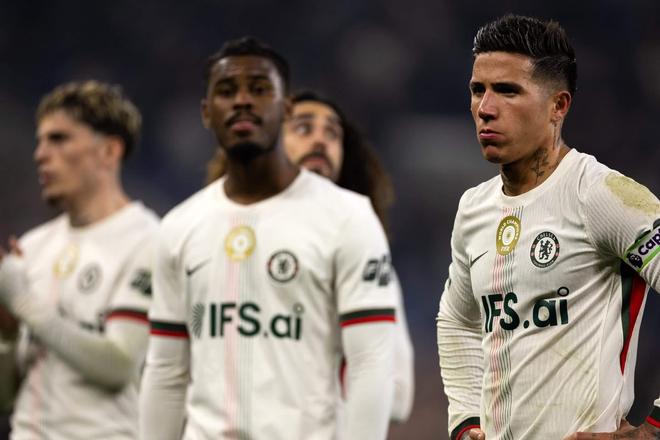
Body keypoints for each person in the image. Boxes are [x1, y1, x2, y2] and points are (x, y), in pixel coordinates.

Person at [139, 37, 397, 440]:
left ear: (286, 108)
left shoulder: (348, 217)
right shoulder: (179, 226)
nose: (242, 101)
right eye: (227, 91)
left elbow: (371, 363)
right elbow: (166, 371)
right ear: (206, 112)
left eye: (259, 89)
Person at [436, 14, 660, 440]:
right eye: (478, 90)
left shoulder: (601, 195)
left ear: (558, 106)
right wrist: (465, 420)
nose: (485, 109)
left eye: (508, 91)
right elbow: (458, 320)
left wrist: (654, 429)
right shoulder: (473, 208)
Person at [205, 90, 416, 424]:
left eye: (332, 134)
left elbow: (398, 395)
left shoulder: (362, 254)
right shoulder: (210, 240)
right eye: (303, 128)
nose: (320, 140)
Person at [0, 80, 159, 439]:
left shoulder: (148, 240)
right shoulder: (33, 247)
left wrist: (23, 303)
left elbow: (118, 364)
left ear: (109, 151)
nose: (40, 154)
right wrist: (6, 336)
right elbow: (4, 398)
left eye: (59, 139)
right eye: (40, 141)